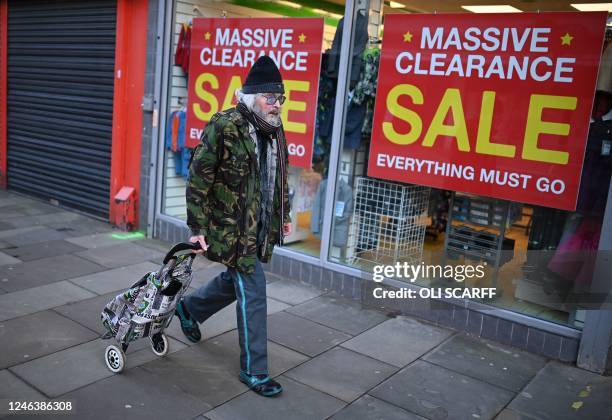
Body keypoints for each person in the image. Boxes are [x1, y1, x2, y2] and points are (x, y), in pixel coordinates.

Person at [175, 56, 292, 397]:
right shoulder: (225, 125)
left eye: (281, 98)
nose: (277, 105)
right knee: (254, 291)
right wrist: (196, 225)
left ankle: (189, 308)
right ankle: (254, 371)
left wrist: (283, 215)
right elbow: (199, 177)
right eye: (271, 98)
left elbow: (280, 176)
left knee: (235, 281)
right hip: (230, 229)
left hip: (258, 227)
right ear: (251, 95)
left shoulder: (275, 129)